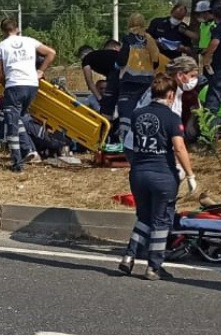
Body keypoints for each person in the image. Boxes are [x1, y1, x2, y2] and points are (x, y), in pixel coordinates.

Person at [118, 74, 197, 281]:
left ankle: (129, 256)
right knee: (161, 221)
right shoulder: (171, 117)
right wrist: (190, 175)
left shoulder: (137, 114)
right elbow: (179, 148)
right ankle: (154, 266)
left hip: (139, 172)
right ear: (171, 95)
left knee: (143, 217)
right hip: (163, 174)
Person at [0, 19, 56, 172]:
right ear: (18, 29)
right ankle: (29, 150)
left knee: (12, 124)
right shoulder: (30, 41)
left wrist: (5, 86)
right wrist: (40, 71)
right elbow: (51, 53)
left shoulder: (0, 46)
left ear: (2, 31)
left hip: (14, 86)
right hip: (32, 85)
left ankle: (17, 164)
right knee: (20, 117)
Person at [117, 14, 164, 131]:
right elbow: (156, 62)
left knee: (126, 109)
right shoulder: (150, 40)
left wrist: (116, 65)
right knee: (143, 108)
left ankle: (125, 137)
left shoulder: (128, 39)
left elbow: (122, 60)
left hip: (129, 81)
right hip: (147, 81)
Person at [79, 41, 123, 117]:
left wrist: (100, 99)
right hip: (129, 69)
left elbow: (89, 82)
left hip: (118, 72)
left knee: (107, 110)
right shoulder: (104, 56)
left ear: (83, 55)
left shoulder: (86, 58)